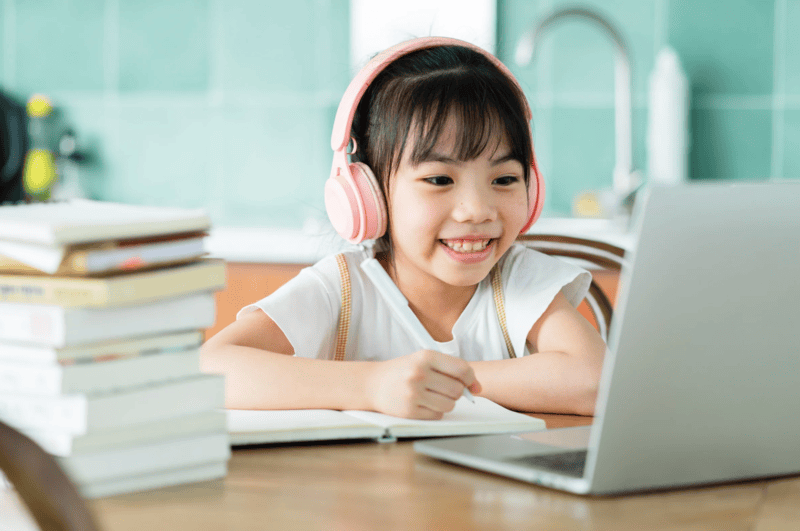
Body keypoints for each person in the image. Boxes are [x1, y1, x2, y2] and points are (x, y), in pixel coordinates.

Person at [200, 37, 606, 419]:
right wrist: (373, 385)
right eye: (439, 180)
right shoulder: (342, 287)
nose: (477, 210)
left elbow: (595, 380)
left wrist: (437, 381)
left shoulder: (517, 280)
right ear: (369, 193)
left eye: (503, 180)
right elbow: (209, 367)